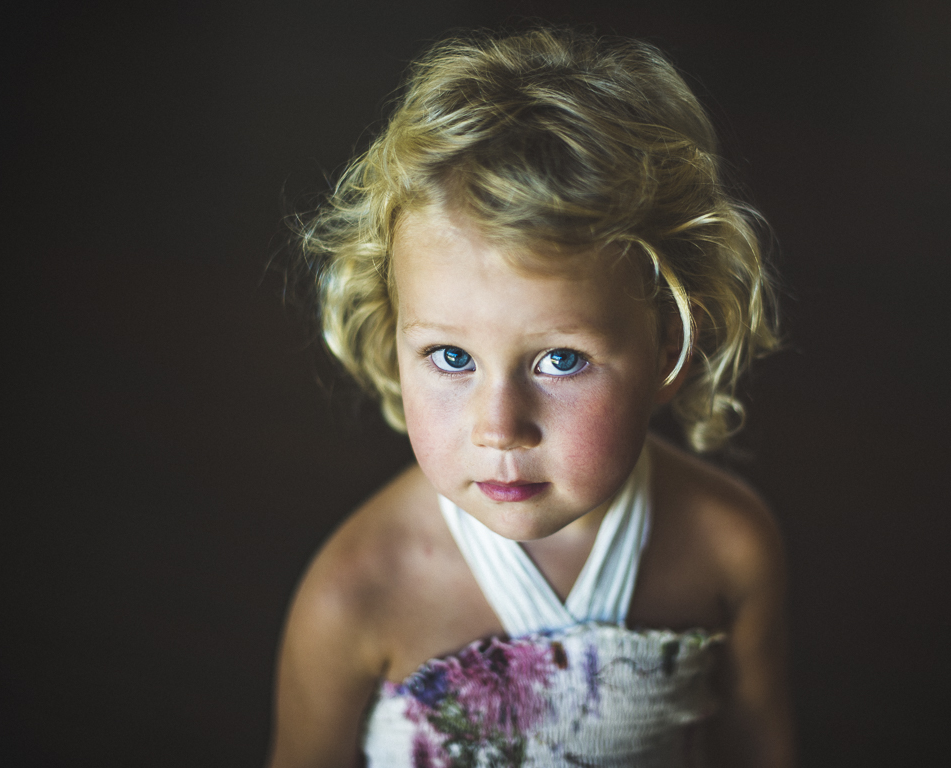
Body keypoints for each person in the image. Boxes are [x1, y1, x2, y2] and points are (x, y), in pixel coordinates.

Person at [269, 26, 793, 768]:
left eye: (560, 359)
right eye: (451, 357)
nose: (499, 427)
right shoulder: (356, 593)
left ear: (670, 348)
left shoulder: (727, 549)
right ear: (393, 340)